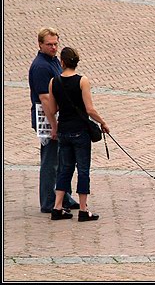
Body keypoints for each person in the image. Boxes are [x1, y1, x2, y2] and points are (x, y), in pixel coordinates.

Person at [46, 47, 109, 221]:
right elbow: (90, 109)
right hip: (80, 132)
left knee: (65, 169)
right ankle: (83, 209)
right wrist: (102, 123)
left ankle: (57, 207)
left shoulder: (54, 82)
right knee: (83, 170)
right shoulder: (82, 81)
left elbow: (52, 109)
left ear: (62, 62)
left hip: (64, 131)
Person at [28, 27, 79, 214]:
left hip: (56, 115)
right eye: (49, 44)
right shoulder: (41, 66)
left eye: (56, 44)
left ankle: (64, 196)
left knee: (62, 158)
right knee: (51, 161)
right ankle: (49, 201)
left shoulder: (53, 61)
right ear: (40, 44)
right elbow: (45, 99)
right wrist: (54, 126)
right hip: (46, 117)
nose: (53, 47)